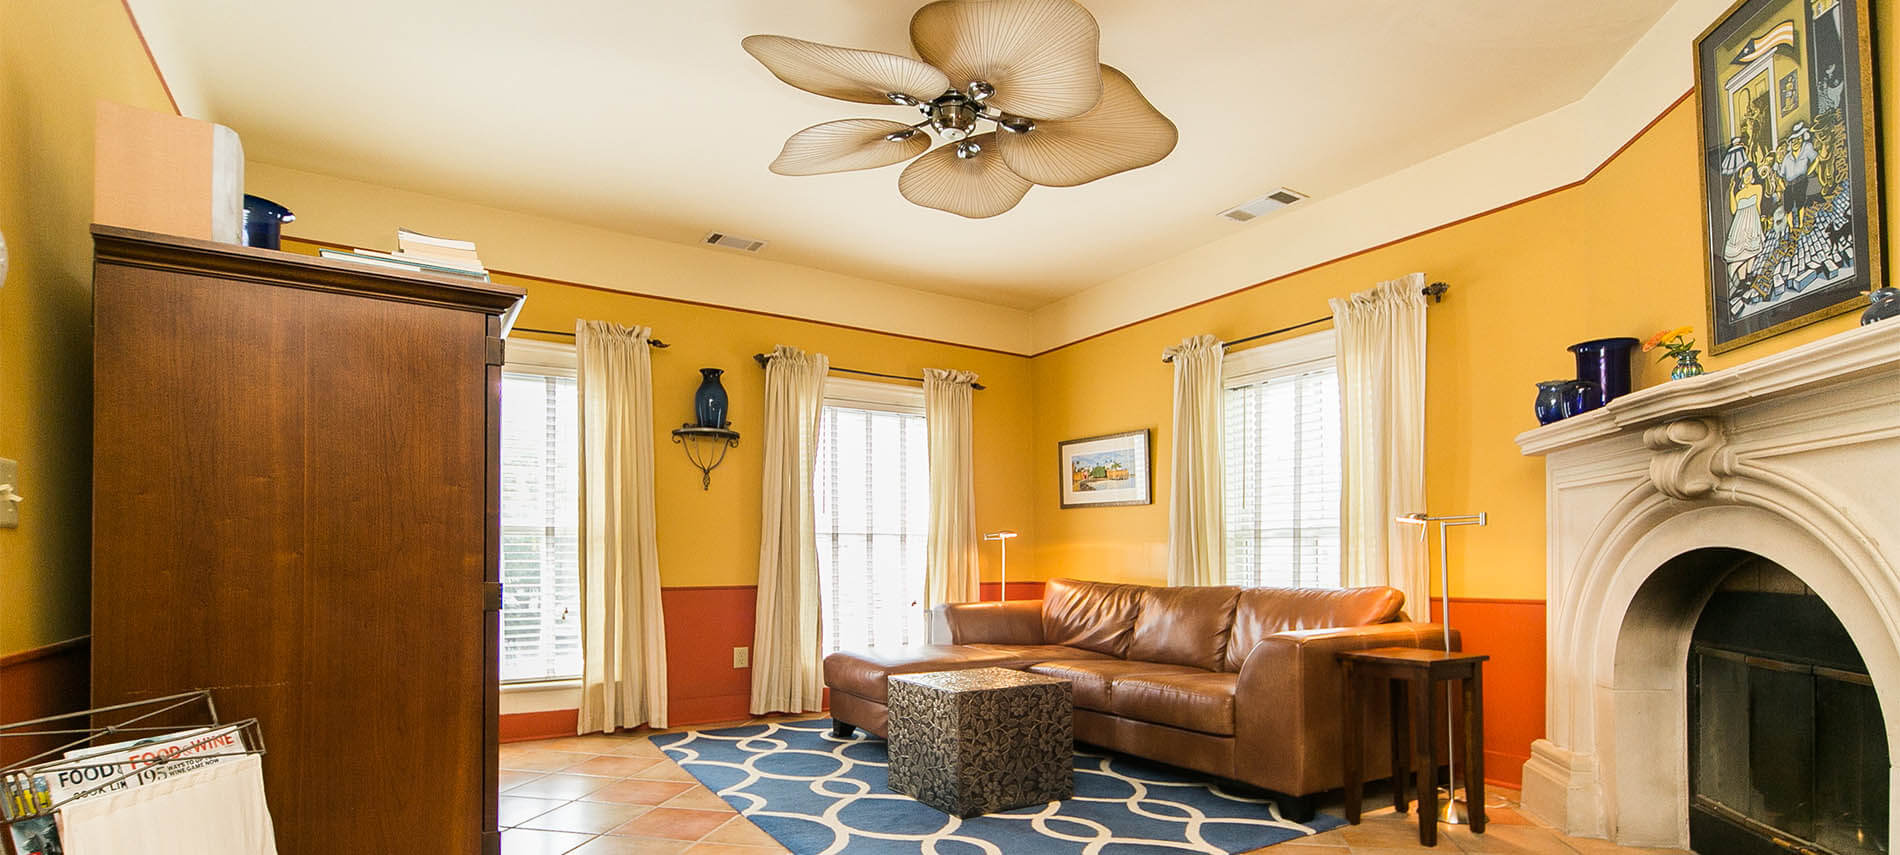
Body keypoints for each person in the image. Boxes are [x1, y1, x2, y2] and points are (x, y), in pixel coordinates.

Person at [1724, 163, 1767, 297]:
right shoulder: (1739, 194)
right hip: (1740, 224)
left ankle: (1749, 277)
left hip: (1752, 221)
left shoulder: (1758, 188)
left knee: (1751, 251)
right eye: (1745, 174)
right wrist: (1731, 191)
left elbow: (1758, 207)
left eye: (1750, 174)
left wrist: (1760, 225)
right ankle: (1742, 282)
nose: (1747, 176)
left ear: (1753, 176)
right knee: (1740, 254)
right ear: (1742, 176)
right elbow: (1734, 210)